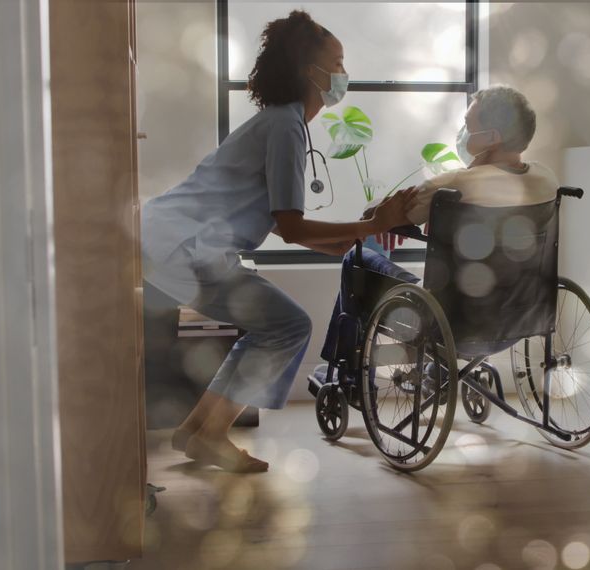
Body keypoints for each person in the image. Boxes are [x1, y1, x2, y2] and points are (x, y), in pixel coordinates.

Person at [141, 10, 413, 473]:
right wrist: (368, 226)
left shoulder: (281, 123)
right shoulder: (285, 126)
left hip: (173, 243)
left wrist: (362, 237)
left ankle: (197, 431)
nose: (345, 74)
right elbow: (292, 228)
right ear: (313, 72)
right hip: (181, 249)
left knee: (276, 322)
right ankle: (211, 435)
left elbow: (298, 232)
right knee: (287, 325)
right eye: (339, 62)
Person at [316, 85, 559, 372]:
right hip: (521, 317)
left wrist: (380, 214)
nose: (463, 131)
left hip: (453, 322)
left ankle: (346, 368)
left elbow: (388, 213)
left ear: (492, 138)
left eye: (468, 124)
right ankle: (435, 368)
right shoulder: (547, 180)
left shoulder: (453, 185)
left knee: (359, 256)